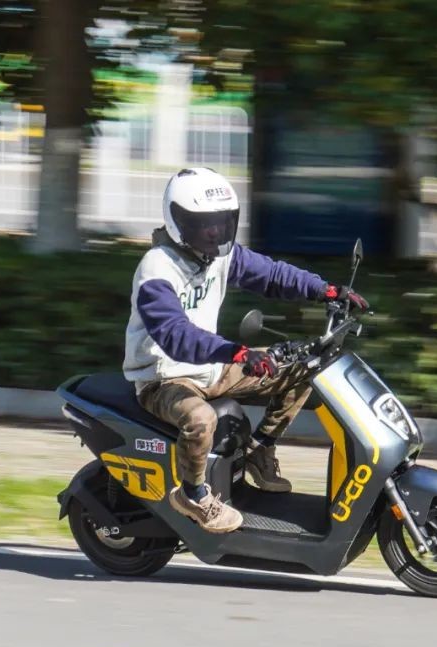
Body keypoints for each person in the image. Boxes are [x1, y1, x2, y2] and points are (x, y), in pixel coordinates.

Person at [122, 167, 369, 533]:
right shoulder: (156, 269)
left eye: (223, 223)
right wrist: (237, 353)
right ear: (177, 221)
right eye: (204, 223)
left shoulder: (217, 255)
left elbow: (269, 274)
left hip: (213, 367)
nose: (215, 231)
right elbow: (175, 335)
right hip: (164, 379)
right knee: (200, 419)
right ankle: (193, 495)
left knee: (305, 363)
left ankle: (260, 448)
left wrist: (326, 291)